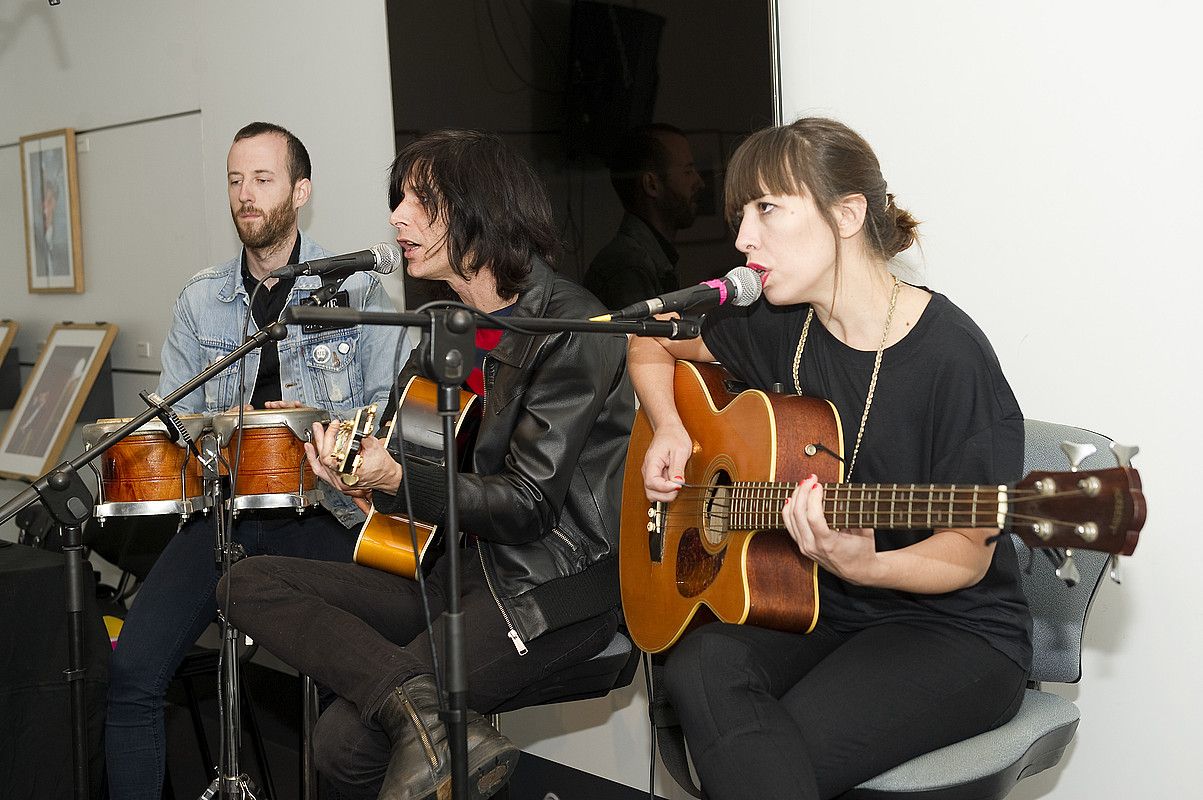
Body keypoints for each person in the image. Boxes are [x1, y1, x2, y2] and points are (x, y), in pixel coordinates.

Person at [217, 129, 635, 800]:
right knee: (243, 582)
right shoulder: (441, 328)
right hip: (446, 569)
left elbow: (529, 505)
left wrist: (396, 479)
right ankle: (427, 717)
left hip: (547, 586)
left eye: (420, 201)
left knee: (344, 743)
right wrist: (358, 479)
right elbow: (415, 492)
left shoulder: (572, 328)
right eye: (397, 199)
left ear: (481, 209)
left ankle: (425, 724)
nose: (396, 217)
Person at [627, 117, 1031, 800]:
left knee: (774, 763)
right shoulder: (777, 322)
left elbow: (966, 554)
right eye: (740, 214)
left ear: (846, 214)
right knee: (696, 665)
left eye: (766, 210)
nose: (741, 239)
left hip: (956, 631)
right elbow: (646, 338)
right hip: (828, 603)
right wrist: (668, 426)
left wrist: (868, 562)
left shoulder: (950, 357)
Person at [105, 121, 409, 800]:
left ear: (299, 191)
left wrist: (346, 454)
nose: (245, 195)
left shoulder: (356, 293)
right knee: (131, 676)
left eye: (262, 179)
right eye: (235, 180)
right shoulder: (201, 298)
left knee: (359, 694)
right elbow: (177, 421)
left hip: (324, 515)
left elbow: (387, 420)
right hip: (220, 514)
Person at [583, 123, 705, 310]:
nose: (700, 182)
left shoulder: (643, 259)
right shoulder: (627, 268)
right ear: (652, 185)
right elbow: (643, 340)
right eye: (687, 171)